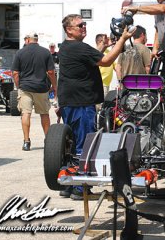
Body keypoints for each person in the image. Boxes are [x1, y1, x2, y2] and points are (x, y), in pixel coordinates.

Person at [57, 14, 135, 200]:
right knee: (85, 144)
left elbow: (89, 58)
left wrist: (103, 47)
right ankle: (80, 187)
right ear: (69, 29)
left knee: (73, 143)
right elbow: (106, 61)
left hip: (70, 101)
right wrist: (122, 40)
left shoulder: (66, 47)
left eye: (84, 24)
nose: (83, 27)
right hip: (81, 102)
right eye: (79, 25)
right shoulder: (80, 47)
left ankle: (68, 184)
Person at [11, 32, 57, 151]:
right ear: (36, 40)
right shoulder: (46, 52)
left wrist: (18, 85)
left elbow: (15, 73)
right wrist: (54, 86)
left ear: (27, 40)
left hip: (25, 88)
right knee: (44, 114)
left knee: (25, 113)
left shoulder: (20, 53)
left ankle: (26, 142)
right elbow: (51, 72)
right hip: (41, 88)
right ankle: (48, 140)